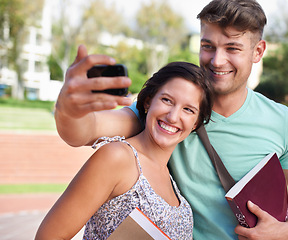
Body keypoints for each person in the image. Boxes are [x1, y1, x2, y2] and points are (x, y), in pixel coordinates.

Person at [54, 0, 288, 239]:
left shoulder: (284, 122)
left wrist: (287, 230)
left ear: (258, 51)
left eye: (232, 48)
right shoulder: (168, 112)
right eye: (208, 46)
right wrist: (68, 108)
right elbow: (84, 131)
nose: (217, 60)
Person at [35, 62, 214, 240]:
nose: (173, 116)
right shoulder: (117, 157)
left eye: (188, 110)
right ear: (148, 101)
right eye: (167, 100)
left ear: (196, 123)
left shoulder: (170, 178)